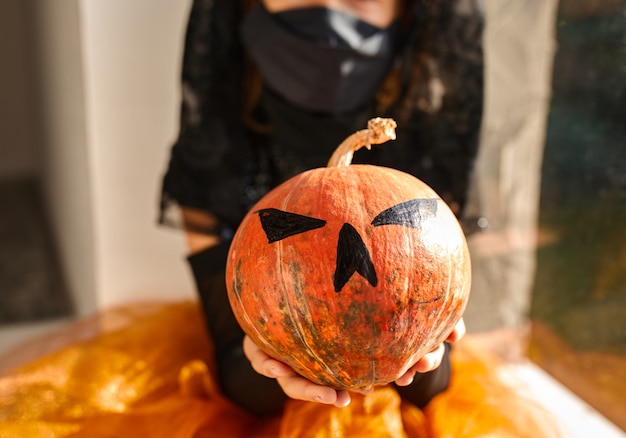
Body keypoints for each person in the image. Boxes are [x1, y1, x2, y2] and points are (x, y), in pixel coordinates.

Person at [159, 0, 484, 416]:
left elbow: (431, 388)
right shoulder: (213, 162)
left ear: (410, 10)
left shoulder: (427, 168)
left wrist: (424, 339)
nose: (327, 8)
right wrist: (264, 351)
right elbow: (239, 378)